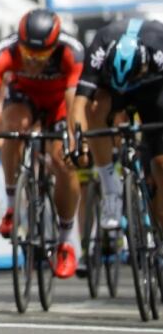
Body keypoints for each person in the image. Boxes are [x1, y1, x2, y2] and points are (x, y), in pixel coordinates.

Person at [0, 9, 84, 279]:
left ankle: (65, 241)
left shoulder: (72, 52)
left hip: (59, 103)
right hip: (24, 98)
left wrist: (74, 142)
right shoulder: (3, 52)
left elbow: (73, 103)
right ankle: (11, 206)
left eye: (41, 56)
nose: (33, 62)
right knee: (13, 127)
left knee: (62, 161)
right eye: (28, 55)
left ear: (54, 47)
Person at [69, 18, 163, 233]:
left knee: (161, 164)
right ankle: (111, 187)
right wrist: (80, 143)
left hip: (153, 89)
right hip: (111, 89)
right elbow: (79, 105)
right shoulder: (100, 44)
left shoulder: (159, 44)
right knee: (95, 108)